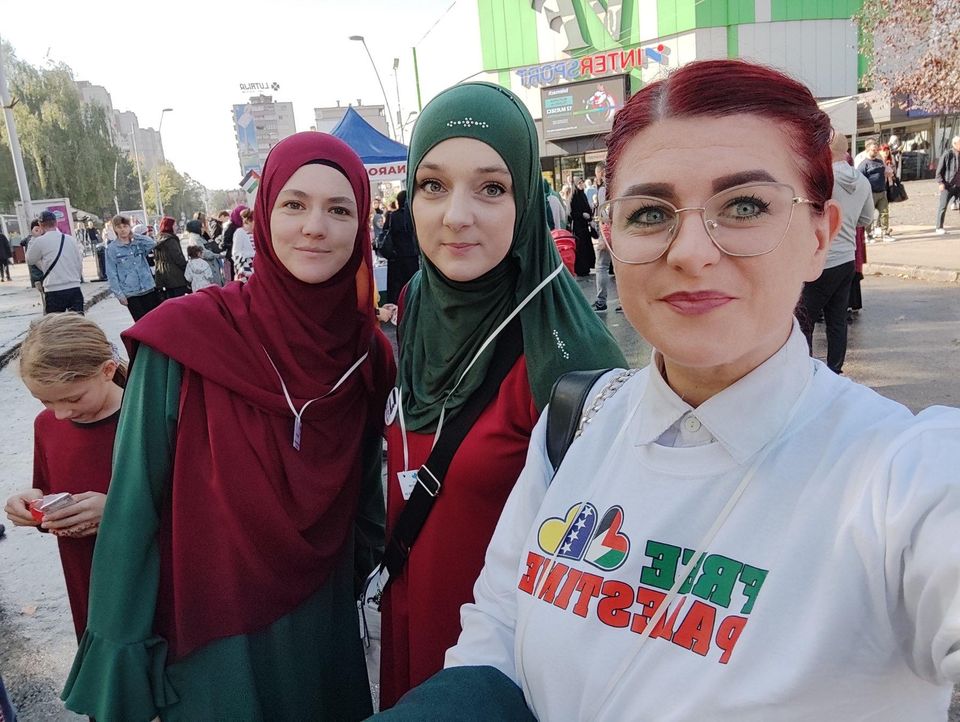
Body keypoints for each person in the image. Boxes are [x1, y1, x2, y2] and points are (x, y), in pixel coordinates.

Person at [378, 59, 960, 721]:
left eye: (744, 206)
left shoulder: (896, 477)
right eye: (650, 212)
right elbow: (497, 640)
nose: (690, 251)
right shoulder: (578, 423)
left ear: (820, 237)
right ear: (611, 238)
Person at [62, 132, 395, 721]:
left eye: (339, 210)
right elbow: (135, 506)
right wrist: (122, 657)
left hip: (321, 635)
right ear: (264, 215)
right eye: (294, 204)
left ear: (360, 225)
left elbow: (366, 500)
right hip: (213, 647)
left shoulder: (366, 356)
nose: (314, 227)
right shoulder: (186, 339)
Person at [377, 81, 626, 710]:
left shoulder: (571, 360)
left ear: (526, 198)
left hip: (502, 665)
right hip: (410, 601)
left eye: (491, 188)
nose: (456, 215)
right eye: (433, 185)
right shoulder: (415, 302)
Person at [4, 313, 125, 640]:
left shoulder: (146, 418)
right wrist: (32, 506)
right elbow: (48, 489)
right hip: (85, 579)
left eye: (73, 398)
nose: (60, 413)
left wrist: (116, 510)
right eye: (45, 401)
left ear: (107, 370)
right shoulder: (46, 425)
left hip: (148, 574)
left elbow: (196, 504)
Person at [796, 129, 873, 374]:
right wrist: (847, 221)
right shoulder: (862, 180)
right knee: (837, 320)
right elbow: (867, 218)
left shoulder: (823, 179)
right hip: (847, 259)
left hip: (822, 259)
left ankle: (804, 370)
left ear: (825, 150)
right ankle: (835, 369)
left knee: (803, 320)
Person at [26, 211, 85, 314]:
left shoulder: (40, 241)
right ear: (56, 222)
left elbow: (30, 259)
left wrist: (34, 238)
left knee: (55, 322)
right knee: (77, 321)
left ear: (40, 225)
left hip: (53, 288)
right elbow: (78, 262)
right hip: (73, 287)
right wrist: (76, 279)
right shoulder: (71, 240)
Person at [104, 215, 160, 321]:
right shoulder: (112, 249)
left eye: (125, 226)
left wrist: (134, 235)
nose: (122, 230)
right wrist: (119, 294)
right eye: (119, 227)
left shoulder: (138, 243)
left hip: (148, 287)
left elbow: (152, 243)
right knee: (141, 323)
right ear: (115, 229)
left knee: (155, 320)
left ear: (129, 227)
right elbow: (111, 273)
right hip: (131, 292)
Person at [380, 190, 418, 305]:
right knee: (413, 284)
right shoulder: (413, 216)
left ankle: (396, 308)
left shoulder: (393, 216)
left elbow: (385, 231)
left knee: (396, 286)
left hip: (395, 255)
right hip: (411, 254)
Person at [856, 140, 891, 242]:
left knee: (884, 213)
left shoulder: (880, 162)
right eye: (873, 150)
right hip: (870, 193)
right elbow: (860, 179)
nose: (875, 152)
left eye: (876, 150)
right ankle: (869, 234)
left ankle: (885, 233)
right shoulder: (864, 164)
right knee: (869, 215)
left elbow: (886, 172)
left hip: (882, 192)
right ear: (868, 150)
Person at [153, 216, 189, 300]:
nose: (176, 227)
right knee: (180, 301)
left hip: (164, 276)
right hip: (176, 277)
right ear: (169, 226)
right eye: (174, 225)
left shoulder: (158, 239)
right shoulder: (171, 240)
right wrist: (186, 267)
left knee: (171, 301)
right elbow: (178, 258)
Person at [592, 161, 612, 311]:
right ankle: (624, 303)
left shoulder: (603, 190)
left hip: (607, 231)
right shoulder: (618, 186)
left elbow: (604, 214)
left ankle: (601, 301)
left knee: (601, 267)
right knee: (619, 268)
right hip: (620, 231)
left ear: (601, 173)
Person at [184, 219, 223, 286]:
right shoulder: (196, 239)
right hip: (209, 267)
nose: (203, 229)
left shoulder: (199, 237)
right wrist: (218, 255)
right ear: (196, 228)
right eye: (201, 227)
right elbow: (204, 253)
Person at [934, 135, 960, 234]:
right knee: (943, 206)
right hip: (948, 185)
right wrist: (941, 182)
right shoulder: (947, 154)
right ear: (955, 144)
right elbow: (939, 171)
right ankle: (939, 227)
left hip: (959, 185)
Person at [569, 179, 595, 277]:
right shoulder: (573, 196)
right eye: (579, 183)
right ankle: (581, 269)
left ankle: (586, 267)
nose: (581, 184)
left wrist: (589, 217)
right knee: (580, 247)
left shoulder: (583, 195)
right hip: (578, 227)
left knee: (586, 247)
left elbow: (587, 207)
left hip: (585, 226)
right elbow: (571, 213)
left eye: (582, 182)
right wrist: (581, 214)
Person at [232, 208, 256, 282]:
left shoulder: (255, 233)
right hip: (246, 266)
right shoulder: (240, 232)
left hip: (256, 265)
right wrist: (246, 270)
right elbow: (236, 253)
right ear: (248, 221)